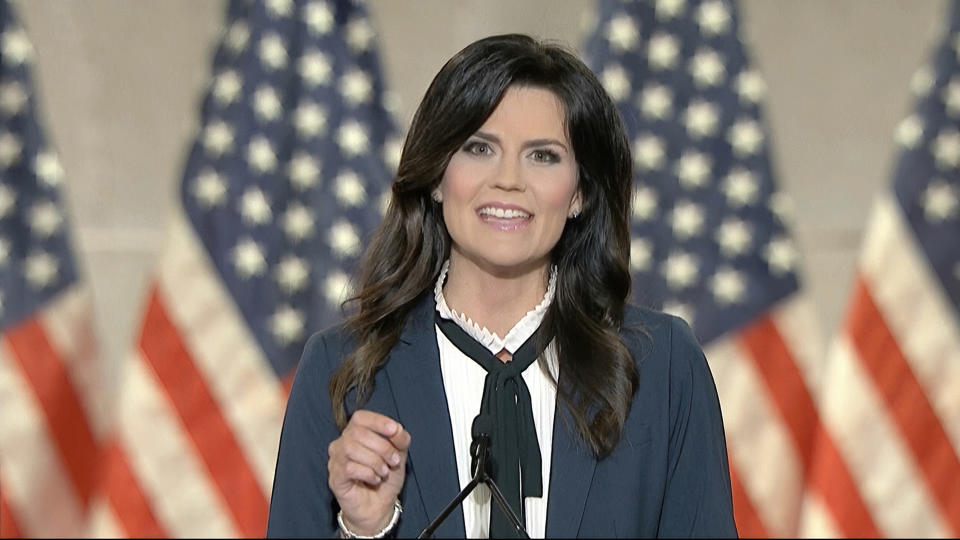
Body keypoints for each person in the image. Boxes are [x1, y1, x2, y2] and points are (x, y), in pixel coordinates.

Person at [266, 33, 737, 539]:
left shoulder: (663, 363)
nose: (509, 180)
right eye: (479, 148)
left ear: (579, 192)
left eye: (543, 156)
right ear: (437, 177)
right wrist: (367, 529)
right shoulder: (343, 368)